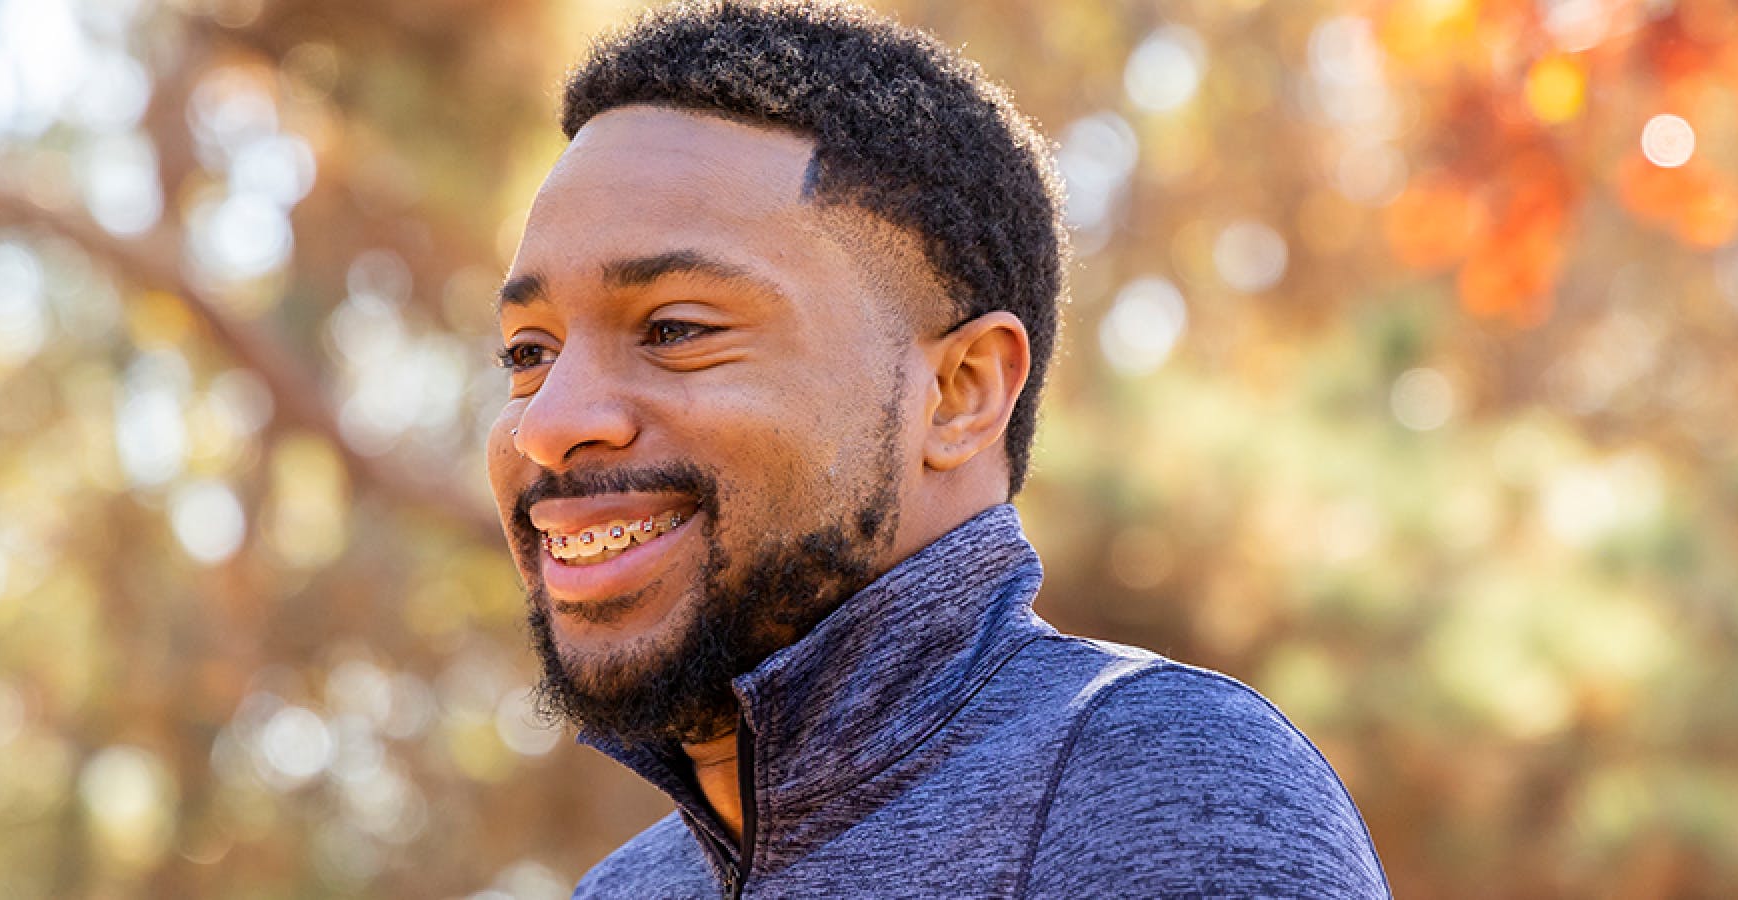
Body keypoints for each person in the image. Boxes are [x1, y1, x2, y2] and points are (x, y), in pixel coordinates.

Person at [485, 1, 1387, 895]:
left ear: (960, 394)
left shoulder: (1157, 784)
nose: (548, 423)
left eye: (675, 328)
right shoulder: (624, 890)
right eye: (529, 353)